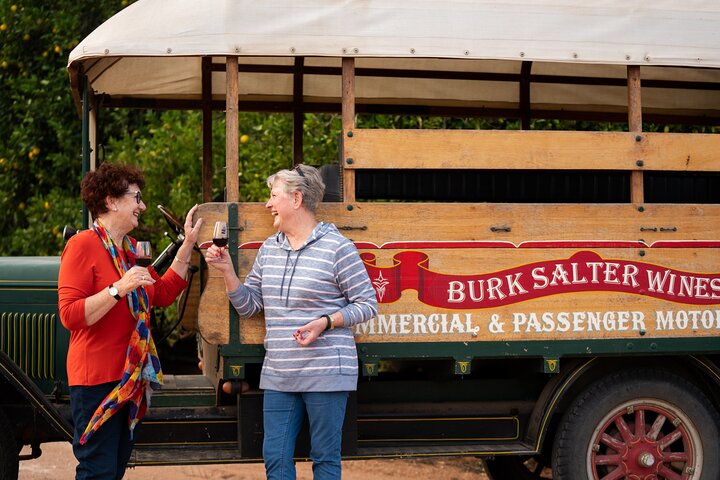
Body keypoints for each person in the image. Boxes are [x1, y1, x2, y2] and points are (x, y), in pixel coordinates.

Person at [205, 164, 378, 480]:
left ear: (296, 199)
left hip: (326, 373)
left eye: (273, 196)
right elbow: (250, 306)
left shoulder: (338, 248)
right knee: (275, 459)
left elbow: (367, 305)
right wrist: (228, 270)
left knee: (325, 459)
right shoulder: (270, 249)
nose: (267, 204)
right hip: (280, 373)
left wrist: (325, 322)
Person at [57, 162, 203, 480]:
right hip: (96, 380)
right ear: (111, 200)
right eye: (136, 197)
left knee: (116, 466)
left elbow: (161, 293)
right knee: (98, 470)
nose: (143, 206)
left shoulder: (130, 250)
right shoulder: (82, 245)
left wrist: (188, 243)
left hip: (130, 379)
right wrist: (118, 288)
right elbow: (69, 315)